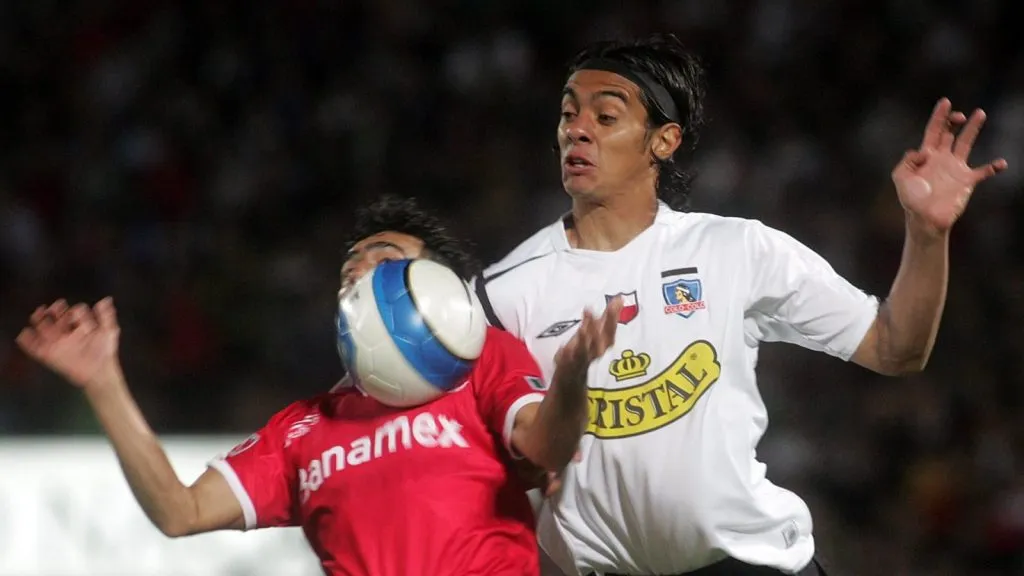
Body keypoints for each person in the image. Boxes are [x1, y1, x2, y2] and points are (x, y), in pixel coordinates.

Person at [473, 34, 1008, 576]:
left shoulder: (735, 249)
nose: (577, 130)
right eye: (568, 114)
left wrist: (926, 232)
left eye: (607, 116)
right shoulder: (502, 293)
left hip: (749, 564)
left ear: (664, 140)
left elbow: (897, 347)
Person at [15, 195, 622, 576]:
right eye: (348, 267)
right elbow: (181, 511)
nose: (359, 269)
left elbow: (545, 445)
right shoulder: (302, 427)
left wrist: (571, 377)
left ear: (435, 284)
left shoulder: (481, 362)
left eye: (384, 257)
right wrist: (103, 382)